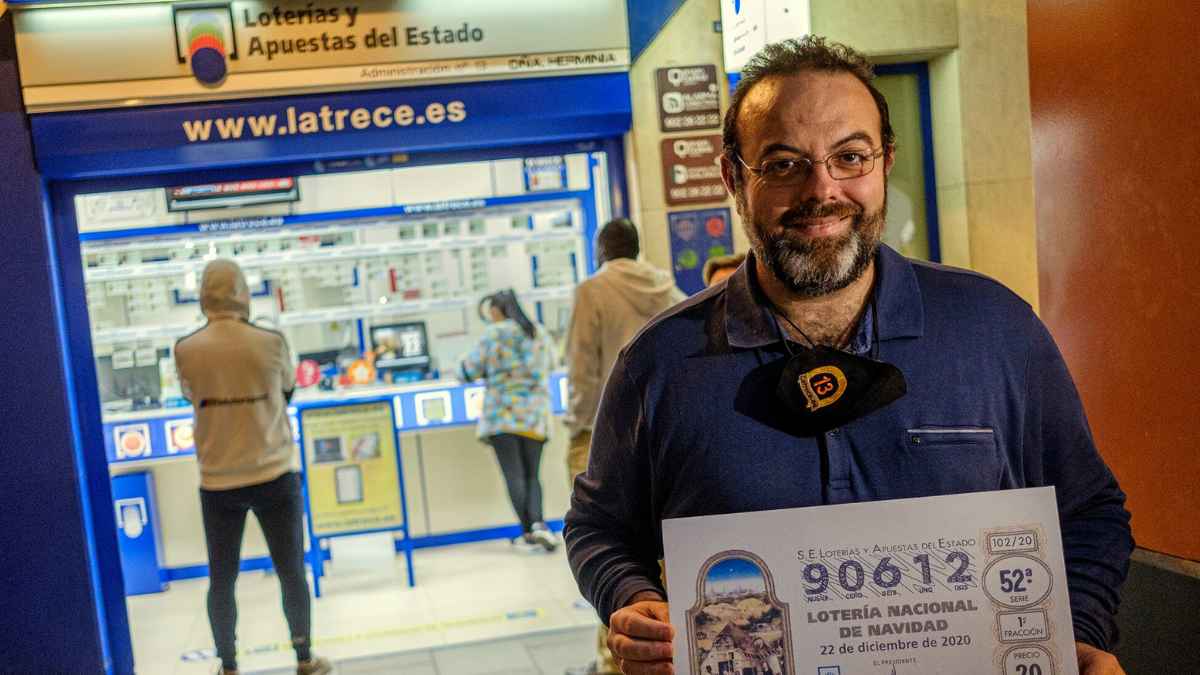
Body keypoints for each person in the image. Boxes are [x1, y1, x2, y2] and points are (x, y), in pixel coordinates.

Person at [564, 36, 1132, 675]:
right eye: (782, 164)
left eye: (850, 157)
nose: (821, 191)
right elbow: (599, 526)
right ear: (732, 178)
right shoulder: (658, 364)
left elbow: (1087, 512)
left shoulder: (995, 329)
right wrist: (634, 601)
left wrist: (1077, 632)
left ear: (885, 162)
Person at [174, 259, 331, 675]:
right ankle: (304, 657)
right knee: (291, 571)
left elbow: (190, 394)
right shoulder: (270, 341)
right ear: (243, 291)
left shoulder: (186, 348)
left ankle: (228, 665)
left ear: (202, 294)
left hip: (217, 479)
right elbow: (287, 390)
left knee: (221, 579)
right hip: (274, 472)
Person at [563, 218, 684, 674]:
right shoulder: (668, 289)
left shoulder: (592, 291)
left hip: (603, 435)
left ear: (601, 250)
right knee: (664, 558)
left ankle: (612, 660)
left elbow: (582, 368)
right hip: (664, 442)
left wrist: (578, 427)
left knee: (612, 549)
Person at [461, 288, 557, 552]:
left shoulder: (494, 333)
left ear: (496, 311)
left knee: (513, 476)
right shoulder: (537, 331)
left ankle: (527, 534)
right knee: (532, 475)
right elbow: (552, 362)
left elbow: (468, 370)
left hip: (502, 417)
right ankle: (539, 525)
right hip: (533, 416)